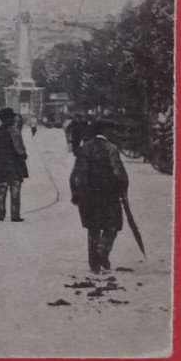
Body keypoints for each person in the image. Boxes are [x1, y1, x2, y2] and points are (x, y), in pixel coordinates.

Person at [70, 117, 129, 275]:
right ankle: (102, 251)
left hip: (88, 196)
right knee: (112, 226)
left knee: (93, 228)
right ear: (105, 132)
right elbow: (119, 173)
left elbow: (77, 174)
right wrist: (122, 189)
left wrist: (76, 193)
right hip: (108, 195)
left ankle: (94, 263)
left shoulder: (84, 149)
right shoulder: (111, 148)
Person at [0, 106, 29, 222]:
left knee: (1, 190)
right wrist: (23, 157)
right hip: (13, 166)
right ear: (8, 119)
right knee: (15, 190)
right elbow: (20, 150)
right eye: (11, 118)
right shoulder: (14, 132)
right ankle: (15, 215)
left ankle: (0, 214)